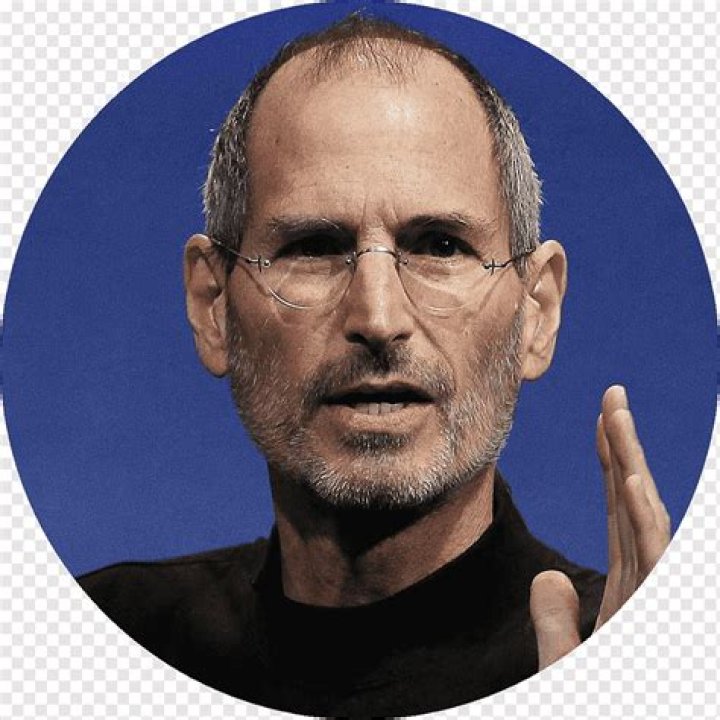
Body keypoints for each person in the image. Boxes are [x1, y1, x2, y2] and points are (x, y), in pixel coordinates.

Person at [79, 14, 671, 716]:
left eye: (441, 245)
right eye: (313, 247)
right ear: (214, 306)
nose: (379, 317)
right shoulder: (93, 652)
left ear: (536, 311)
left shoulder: (631, 668)